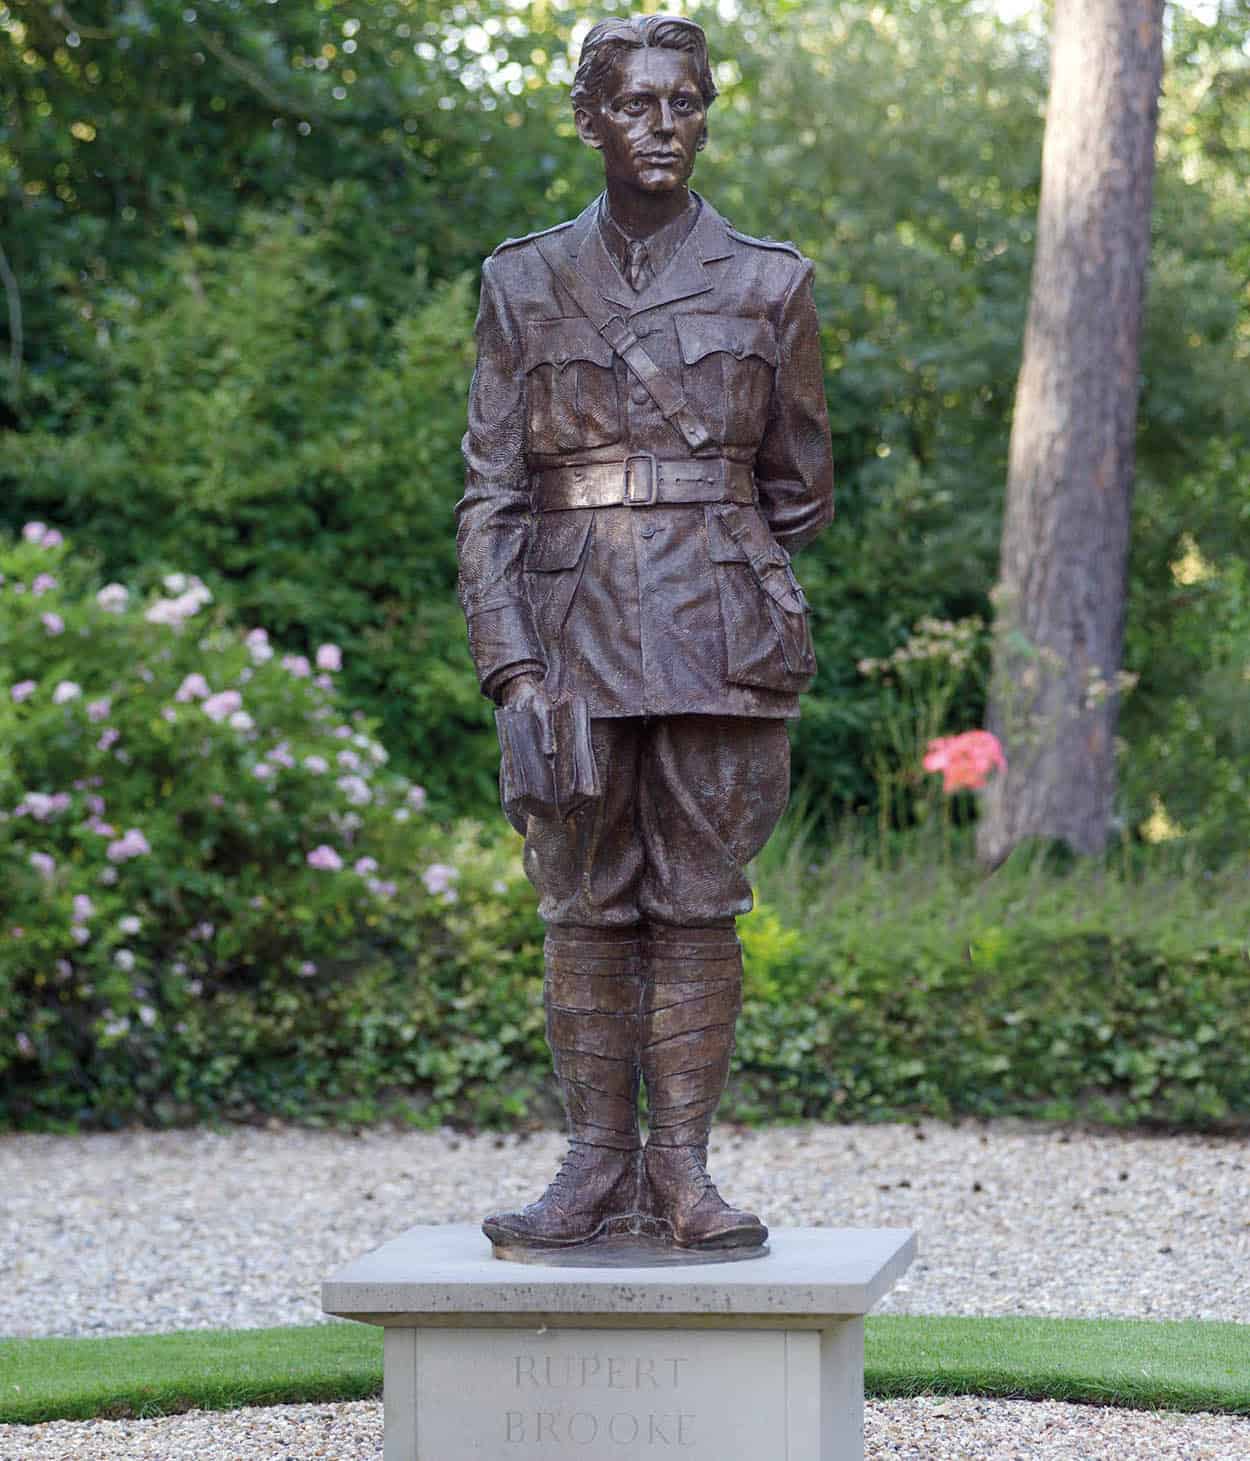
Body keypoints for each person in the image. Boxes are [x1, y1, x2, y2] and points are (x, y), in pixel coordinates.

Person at [457, 13, 833, 1251]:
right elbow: (491, 493)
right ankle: (591, 1166)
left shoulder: (770, 280)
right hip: (564, 639)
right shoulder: (520, 280)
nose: (664, 126)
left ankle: (681, 1173)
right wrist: (509, 664)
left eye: (684, 102)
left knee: (698, 905)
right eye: (637, 105)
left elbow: (801, 489)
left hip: (721, 634)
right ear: (590, 118)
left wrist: (700, 541)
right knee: (580, 909)